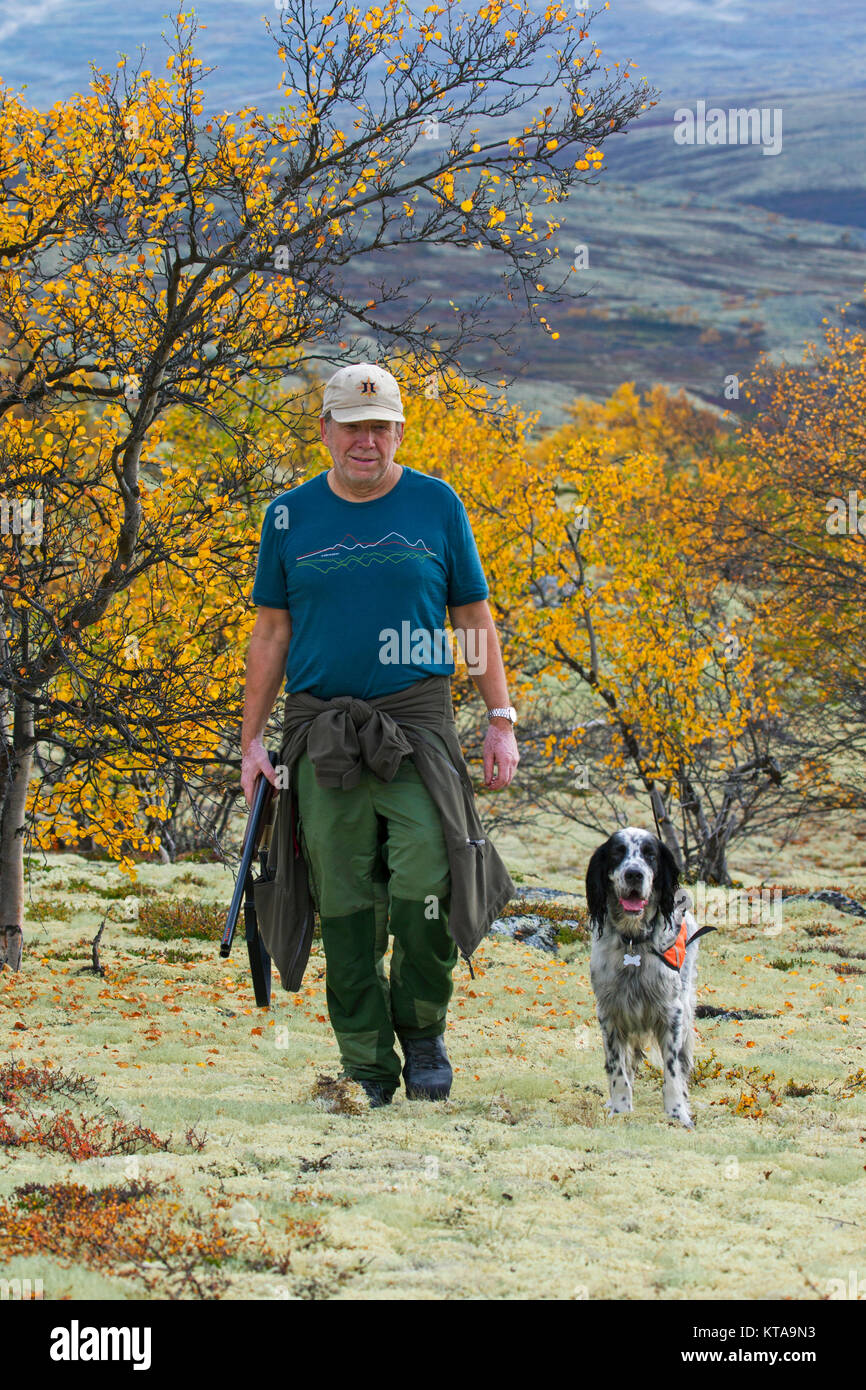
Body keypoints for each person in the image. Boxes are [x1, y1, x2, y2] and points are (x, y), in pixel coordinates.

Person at [240, 362, 518, 1106]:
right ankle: (367, 1061)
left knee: (433, 877)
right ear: (326, 431)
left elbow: (472, 618)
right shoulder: (288, 516)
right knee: (341, 898)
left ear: (399, 430)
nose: (367, 440)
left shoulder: (436, 503)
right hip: (319, 732)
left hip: (417, 724)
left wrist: (500, 718)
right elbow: (271, 632)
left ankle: (422, 1028)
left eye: (380, 426)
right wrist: (252, 741)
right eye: (352, 426)